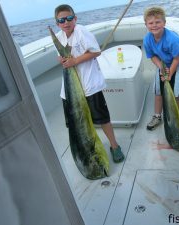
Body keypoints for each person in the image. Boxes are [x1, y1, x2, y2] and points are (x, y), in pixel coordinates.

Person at [54, 4, 124, 163]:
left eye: (69, 18)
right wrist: (62, 60)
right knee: (75, 121)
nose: (66, 22)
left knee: (103, 118)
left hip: (89, 86)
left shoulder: (82, 32)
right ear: (58, 23)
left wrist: (74, 61)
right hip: (70, 90)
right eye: (62, 20)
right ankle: (86, 148)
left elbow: (96, 51)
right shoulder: (59, 37)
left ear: (75, 19)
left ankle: (114, 146)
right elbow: (61, 58)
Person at [143, 6, 179, 130]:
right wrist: (161, 68)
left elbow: (177, 58)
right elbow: (152, 56)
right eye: (151, 23)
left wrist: (169, 74)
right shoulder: (147, 40)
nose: (154, 25)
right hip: (163, 62)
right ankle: (157, 116)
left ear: (164, 23)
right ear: (146, 24)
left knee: (178, 93)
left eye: (158, 22)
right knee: (158, 92)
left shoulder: (172, 39)